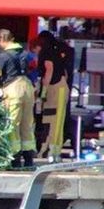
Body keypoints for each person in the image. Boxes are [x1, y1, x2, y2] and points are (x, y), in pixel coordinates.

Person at [0, 29, 36, 168]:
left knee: (12, 124)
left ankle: (15, 159)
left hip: (13, 89)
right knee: (27, 124)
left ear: (1, 40)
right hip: (28, 88)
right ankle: (29, 159)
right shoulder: (25, 53)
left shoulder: (4, 55)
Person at [33, 30, 69, 163]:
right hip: (61, 86)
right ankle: (54, 150)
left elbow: (49, 70)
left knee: (51, 120)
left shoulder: (46, 52)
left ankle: (48, 150)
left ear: (39, 45)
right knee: (58, 120)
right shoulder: (57, 51)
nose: (35, 53)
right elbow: (65, 74)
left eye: (35, 50)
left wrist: (43, 93)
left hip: (54, 89)